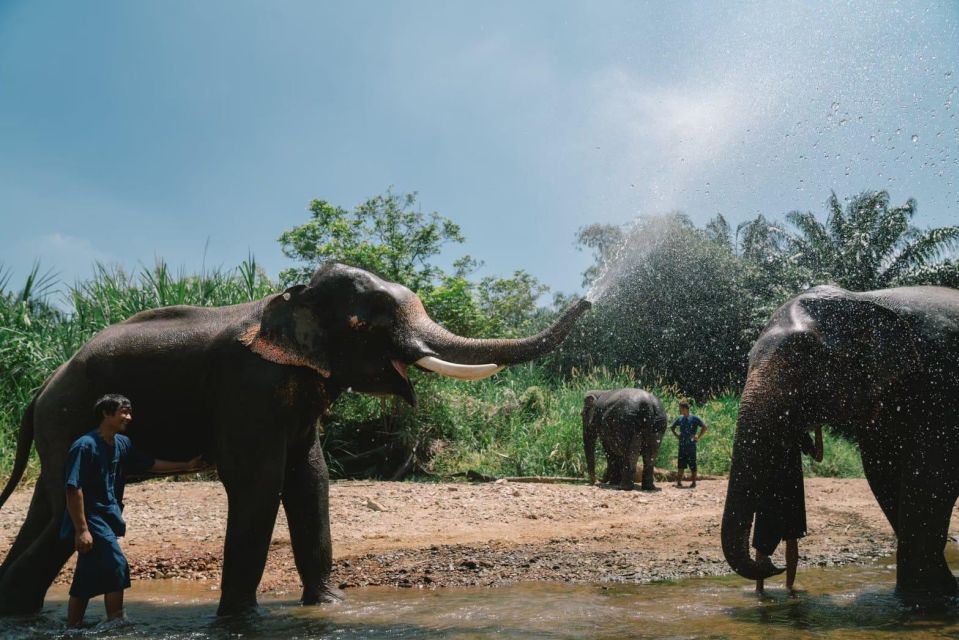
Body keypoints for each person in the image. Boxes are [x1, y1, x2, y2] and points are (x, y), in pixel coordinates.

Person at [62, 394, 203, 628]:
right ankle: (116, 622)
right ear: (107, 414)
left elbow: (149, 463)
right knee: (117, 564)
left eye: (129, 412)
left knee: (86, 574)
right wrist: (81, 530)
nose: (129, 417)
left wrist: (185, 466)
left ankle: (72, 627)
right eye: (123, 412)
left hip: (109, 515)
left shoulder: (122, 443)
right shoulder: (84, 446)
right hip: (91, 517)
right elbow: (72, 488)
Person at [753, 425, 824, 595]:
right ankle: (768, 588)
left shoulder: (796, 430)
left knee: (786, 540)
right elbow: (819, 456)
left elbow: (818, 456)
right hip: (780, 491)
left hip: (783, 491)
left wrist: (818, 429)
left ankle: (776, 588)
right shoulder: (780, 428)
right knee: (769, 542)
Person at [670, 401, 707, 488]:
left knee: (692, 464)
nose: (679, 410)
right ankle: (679, 482)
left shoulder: (694, 418)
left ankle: (693, 482)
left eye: (680, 408)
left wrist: (698, 436)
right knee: (681, 465)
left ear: (685, 409)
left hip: (691, 446)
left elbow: (705, 427)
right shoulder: (680, 418)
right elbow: (672, 427)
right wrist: (677, 436)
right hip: (682, 445)